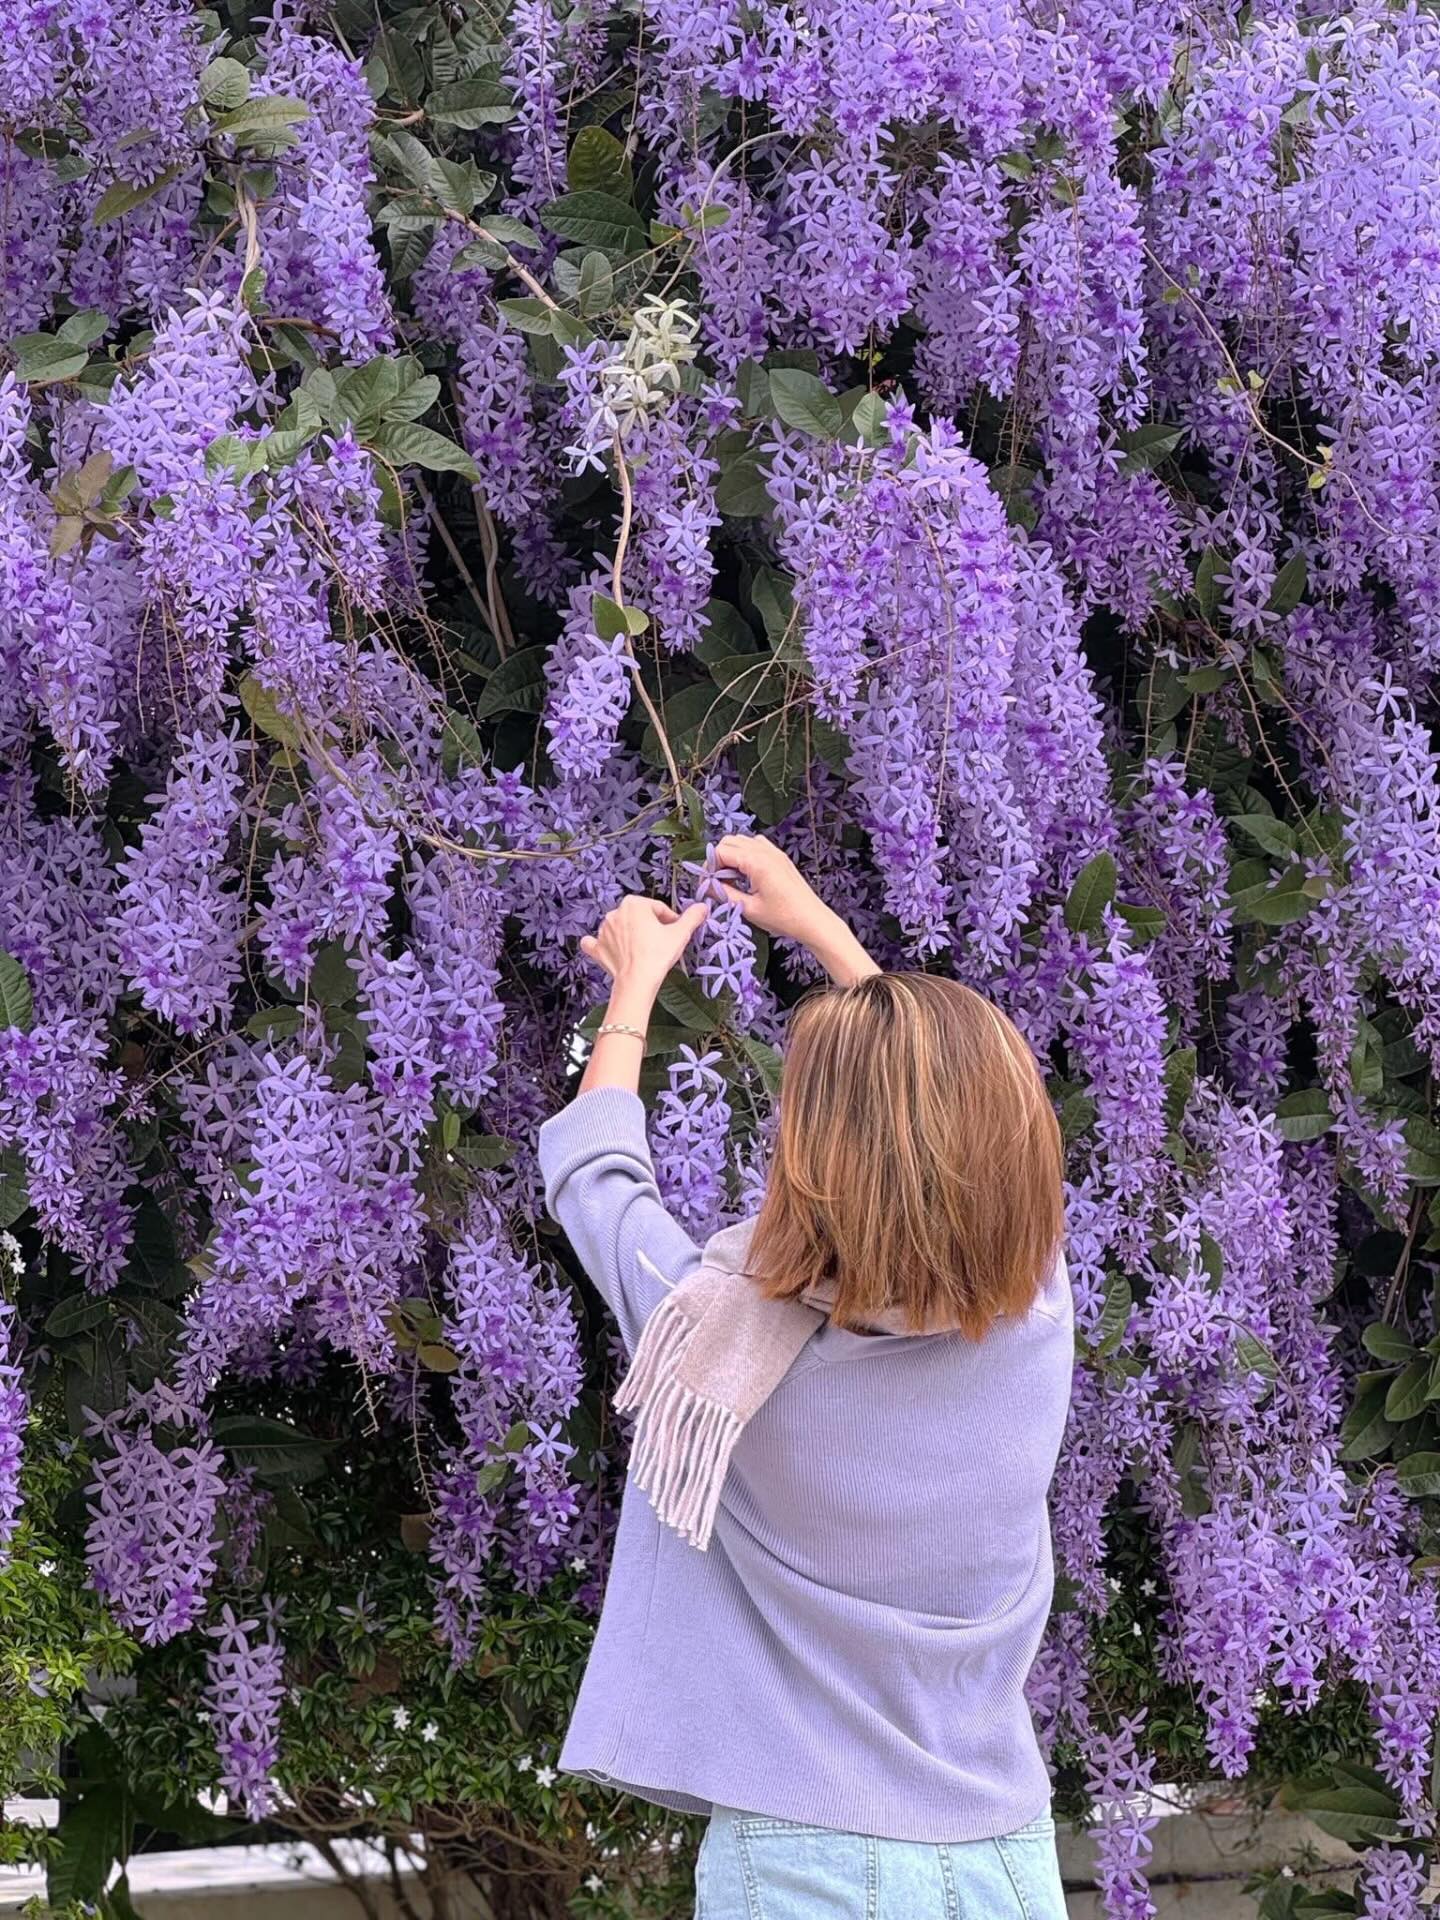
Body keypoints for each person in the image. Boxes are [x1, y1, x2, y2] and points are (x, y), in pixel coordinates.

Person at [536, 832, 1073, 1920]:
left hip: (801, 1864)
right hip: (1005, 1862)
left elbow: (596, 1176)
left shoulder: (724, 1351)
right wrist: (828, 934)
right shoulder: (1036, 1325)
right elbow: (943, 1121)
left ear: (814, 1163)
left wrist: (633, 986)